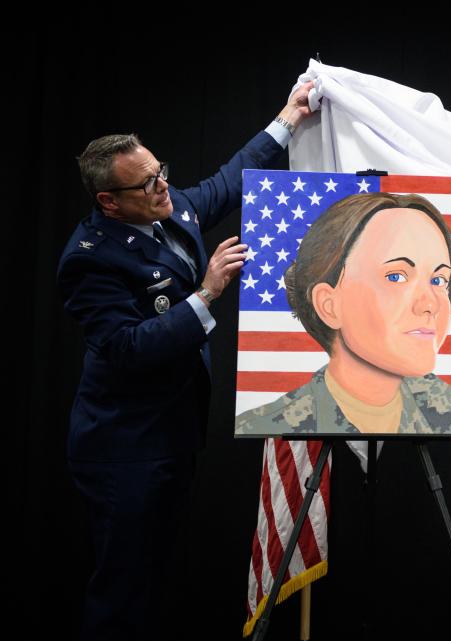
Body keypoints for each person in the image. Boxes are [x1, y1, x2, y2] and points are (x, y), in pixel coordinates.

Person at [57, 82, 317, 641]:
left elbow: (228, 179)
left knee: (158, 581)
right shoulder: (89, 262)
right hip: (123, 449)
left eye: (161, 170)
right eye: (148, 182)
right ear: (109, 201)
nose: (163, 185)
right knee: (123, 592)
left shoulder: (171, 209)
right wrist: (206, 293)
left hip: (172, 436)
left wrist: (288, 118)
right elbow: (128, 348)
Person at [235, 192, 451, 436]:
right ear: (329, 305)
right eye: (396, 276)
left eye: (439, 280)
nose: (430, 304)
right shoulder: (265, 425)